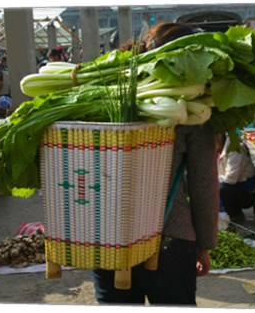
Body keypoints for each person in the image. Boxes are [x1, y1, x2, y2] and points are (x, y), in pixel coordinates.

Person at [91, 22, 219, 306]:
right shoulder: (191, 110)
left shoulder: (101, 98)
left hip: (107, 236)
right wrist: (205, 245)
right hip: (170, 239)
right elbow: (204, 184)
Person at [216, 132, 255, 223]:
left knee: (222, 188)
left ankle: (236, 217)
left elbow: (231, 179)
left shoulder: (235, 149)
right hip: (233, 188)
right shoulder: (217, 149)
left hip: (246, 193)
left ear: (218, 135)